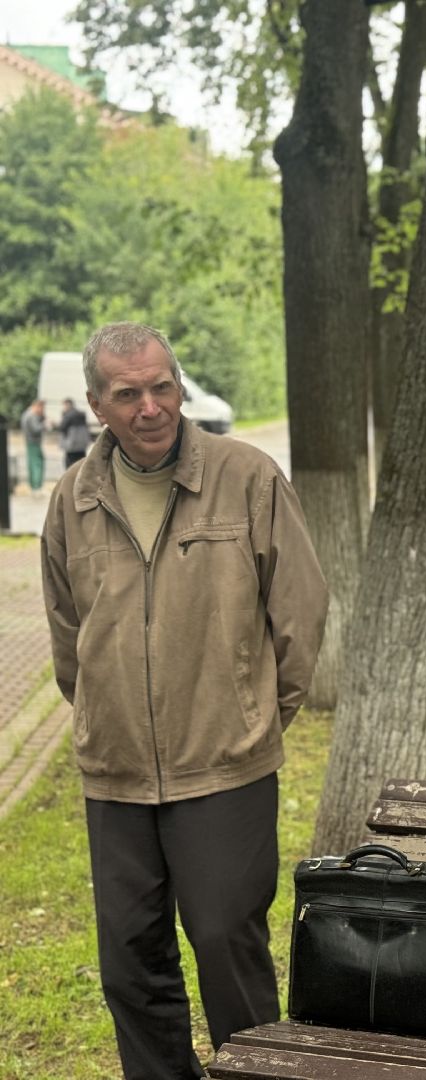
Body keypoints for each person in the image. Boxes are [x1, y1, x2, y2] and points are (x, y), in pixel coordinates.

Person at [40, 322, 328, 1079]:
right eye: (128, 393)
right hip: (116, 773)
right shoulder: (73, 498)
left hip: (225, 767)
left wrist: (253, 714)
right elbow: (69, 635)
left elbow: (298, 615)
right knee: (129, 966)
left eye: (162, 385)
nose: (150, 406)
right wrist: (108, 714)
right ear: (97, 404)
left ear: (179, 386)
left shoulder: (248, 478)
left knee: (228, 946)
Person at [57, 396, 92, 469]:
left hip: (72, 444)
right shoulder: (82, 414)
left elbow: (62, 427)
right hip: (82, 444)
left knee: (70, 464)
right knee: (81, 462)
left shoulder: (68, 415)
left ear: (67, 405)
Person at [21, 398, 46, 492]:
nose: (43, 411)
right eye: (42, 408)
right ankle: (37, 486)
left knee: (32, 463)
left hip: (29, 442)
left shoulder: (26, 414)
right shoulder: (32, 416)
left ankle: (32, 485)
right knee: (37, 464)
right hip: (34, 442)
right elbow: (36, 429)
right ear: (37, 406)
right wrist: (44, 424)